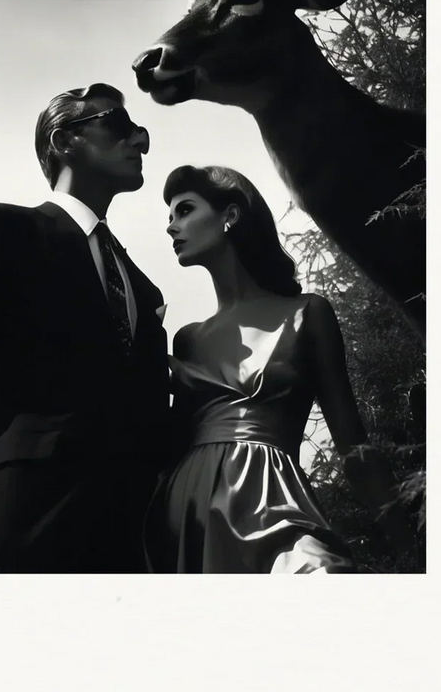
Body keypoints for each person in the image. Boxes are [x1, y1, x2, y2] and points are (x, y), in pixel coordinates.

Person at [0, 83, 172, 573]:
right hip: (14, 527)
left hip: (126, 544)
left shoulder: (143, 290)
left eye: (141, 131)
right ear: (65, 142)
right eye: (119, 125)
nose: (141, 141)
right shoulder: (5, 230)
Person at [145, 165, 413, 574]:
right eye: (170, 217)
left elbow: (354, 447)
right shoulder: (186, 339)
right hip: (188, 513)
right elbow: (163, 448)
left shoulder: (307, 314)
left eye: (183, 210)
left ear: (230, 215)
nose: (171, 227)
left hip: (274, 502)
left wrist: (411, 546)